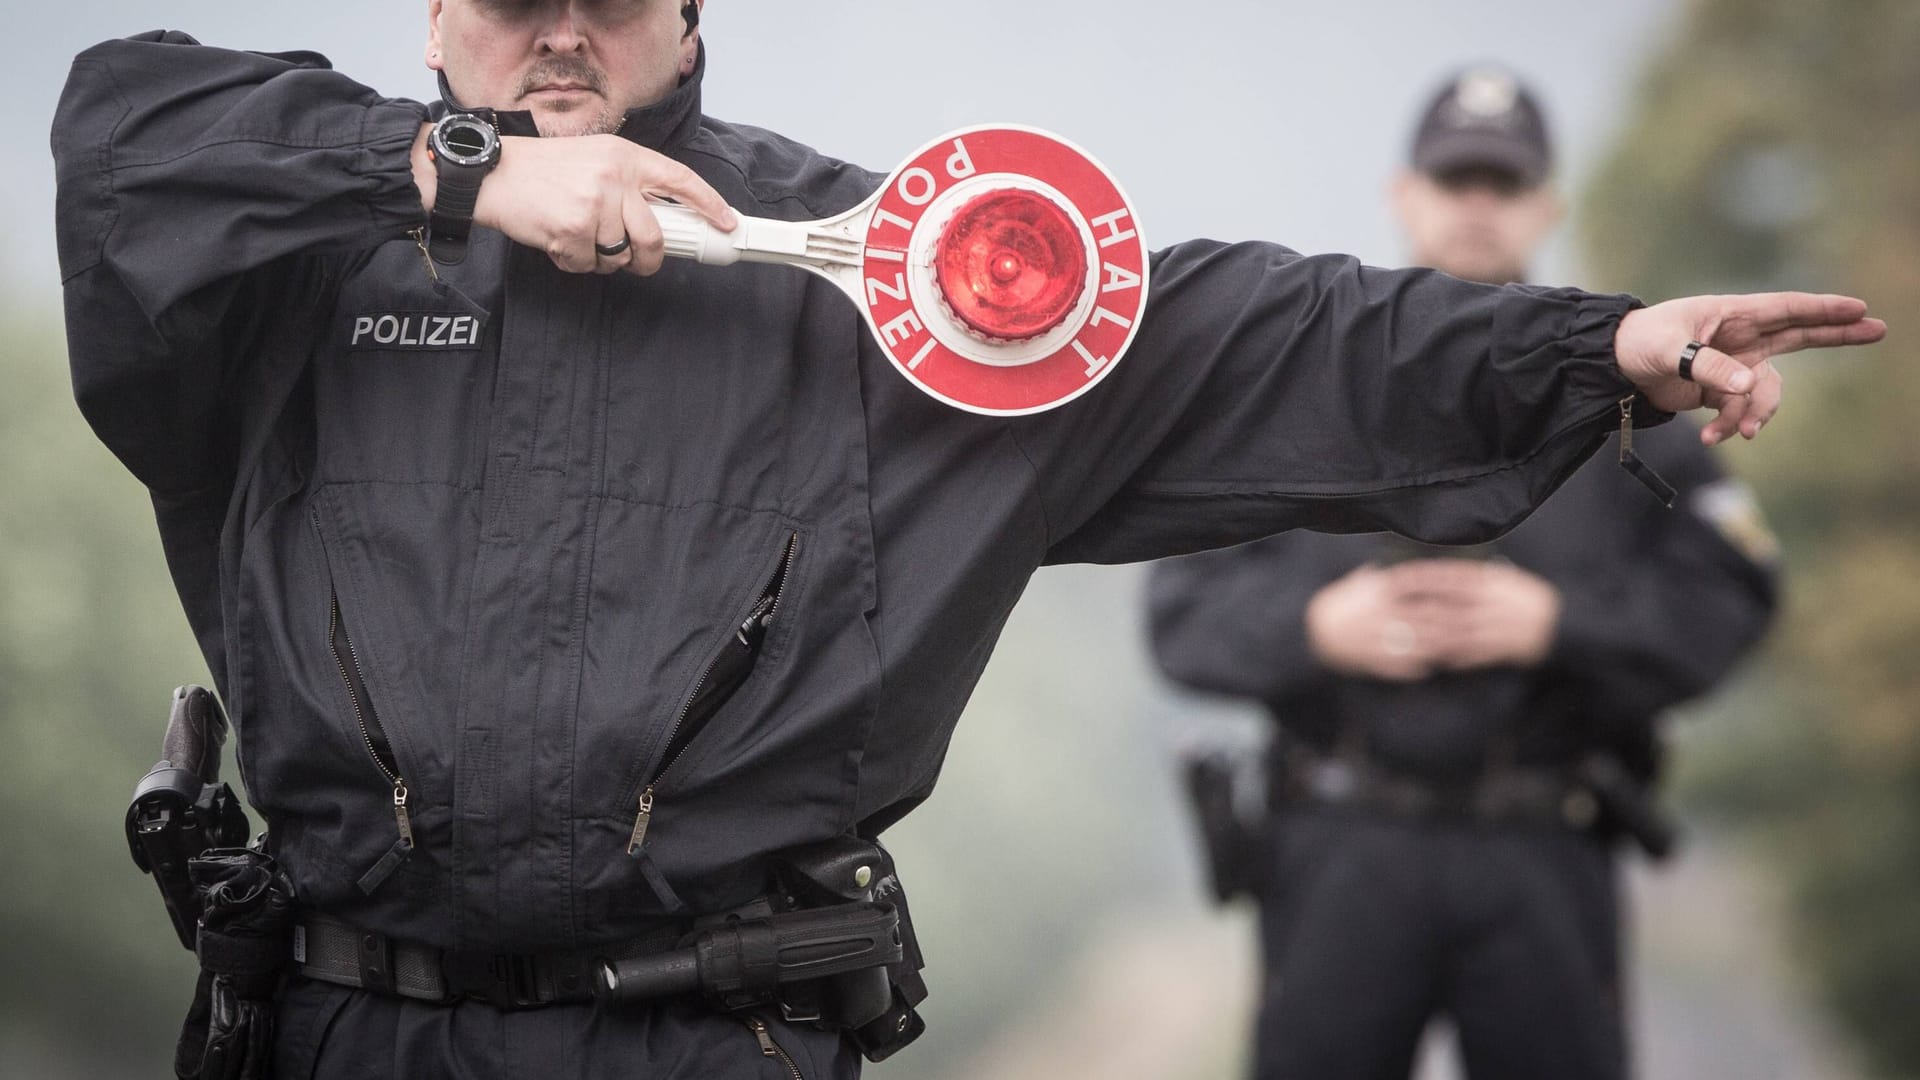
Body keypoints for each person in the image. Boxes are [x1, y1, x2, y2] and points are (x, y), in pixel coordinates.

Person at [51, 4, 1877, 1076]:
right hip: (338, 1030)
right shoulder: (282, 265)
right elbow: (119, 129)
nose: (559, 36)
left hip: (714, 1043)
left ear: (693, 8)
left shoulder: (921, 287)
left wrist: (1594, 349)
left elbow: (1266, 336)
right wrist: (463, 169)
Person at [1148, 68, 1786, 1080]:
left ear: (1547, 205)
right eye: (1457, 181)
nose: (1479, 206)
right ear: (1405, 196)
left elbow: (1733, 598)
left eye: (1505, 184)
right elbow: (1179, 617)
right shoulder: (1301, 399)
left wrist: (1560, 624)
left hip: (1546, 848)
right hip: (1337, 850)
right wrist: (1317, 627)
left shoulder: (1636, 408)